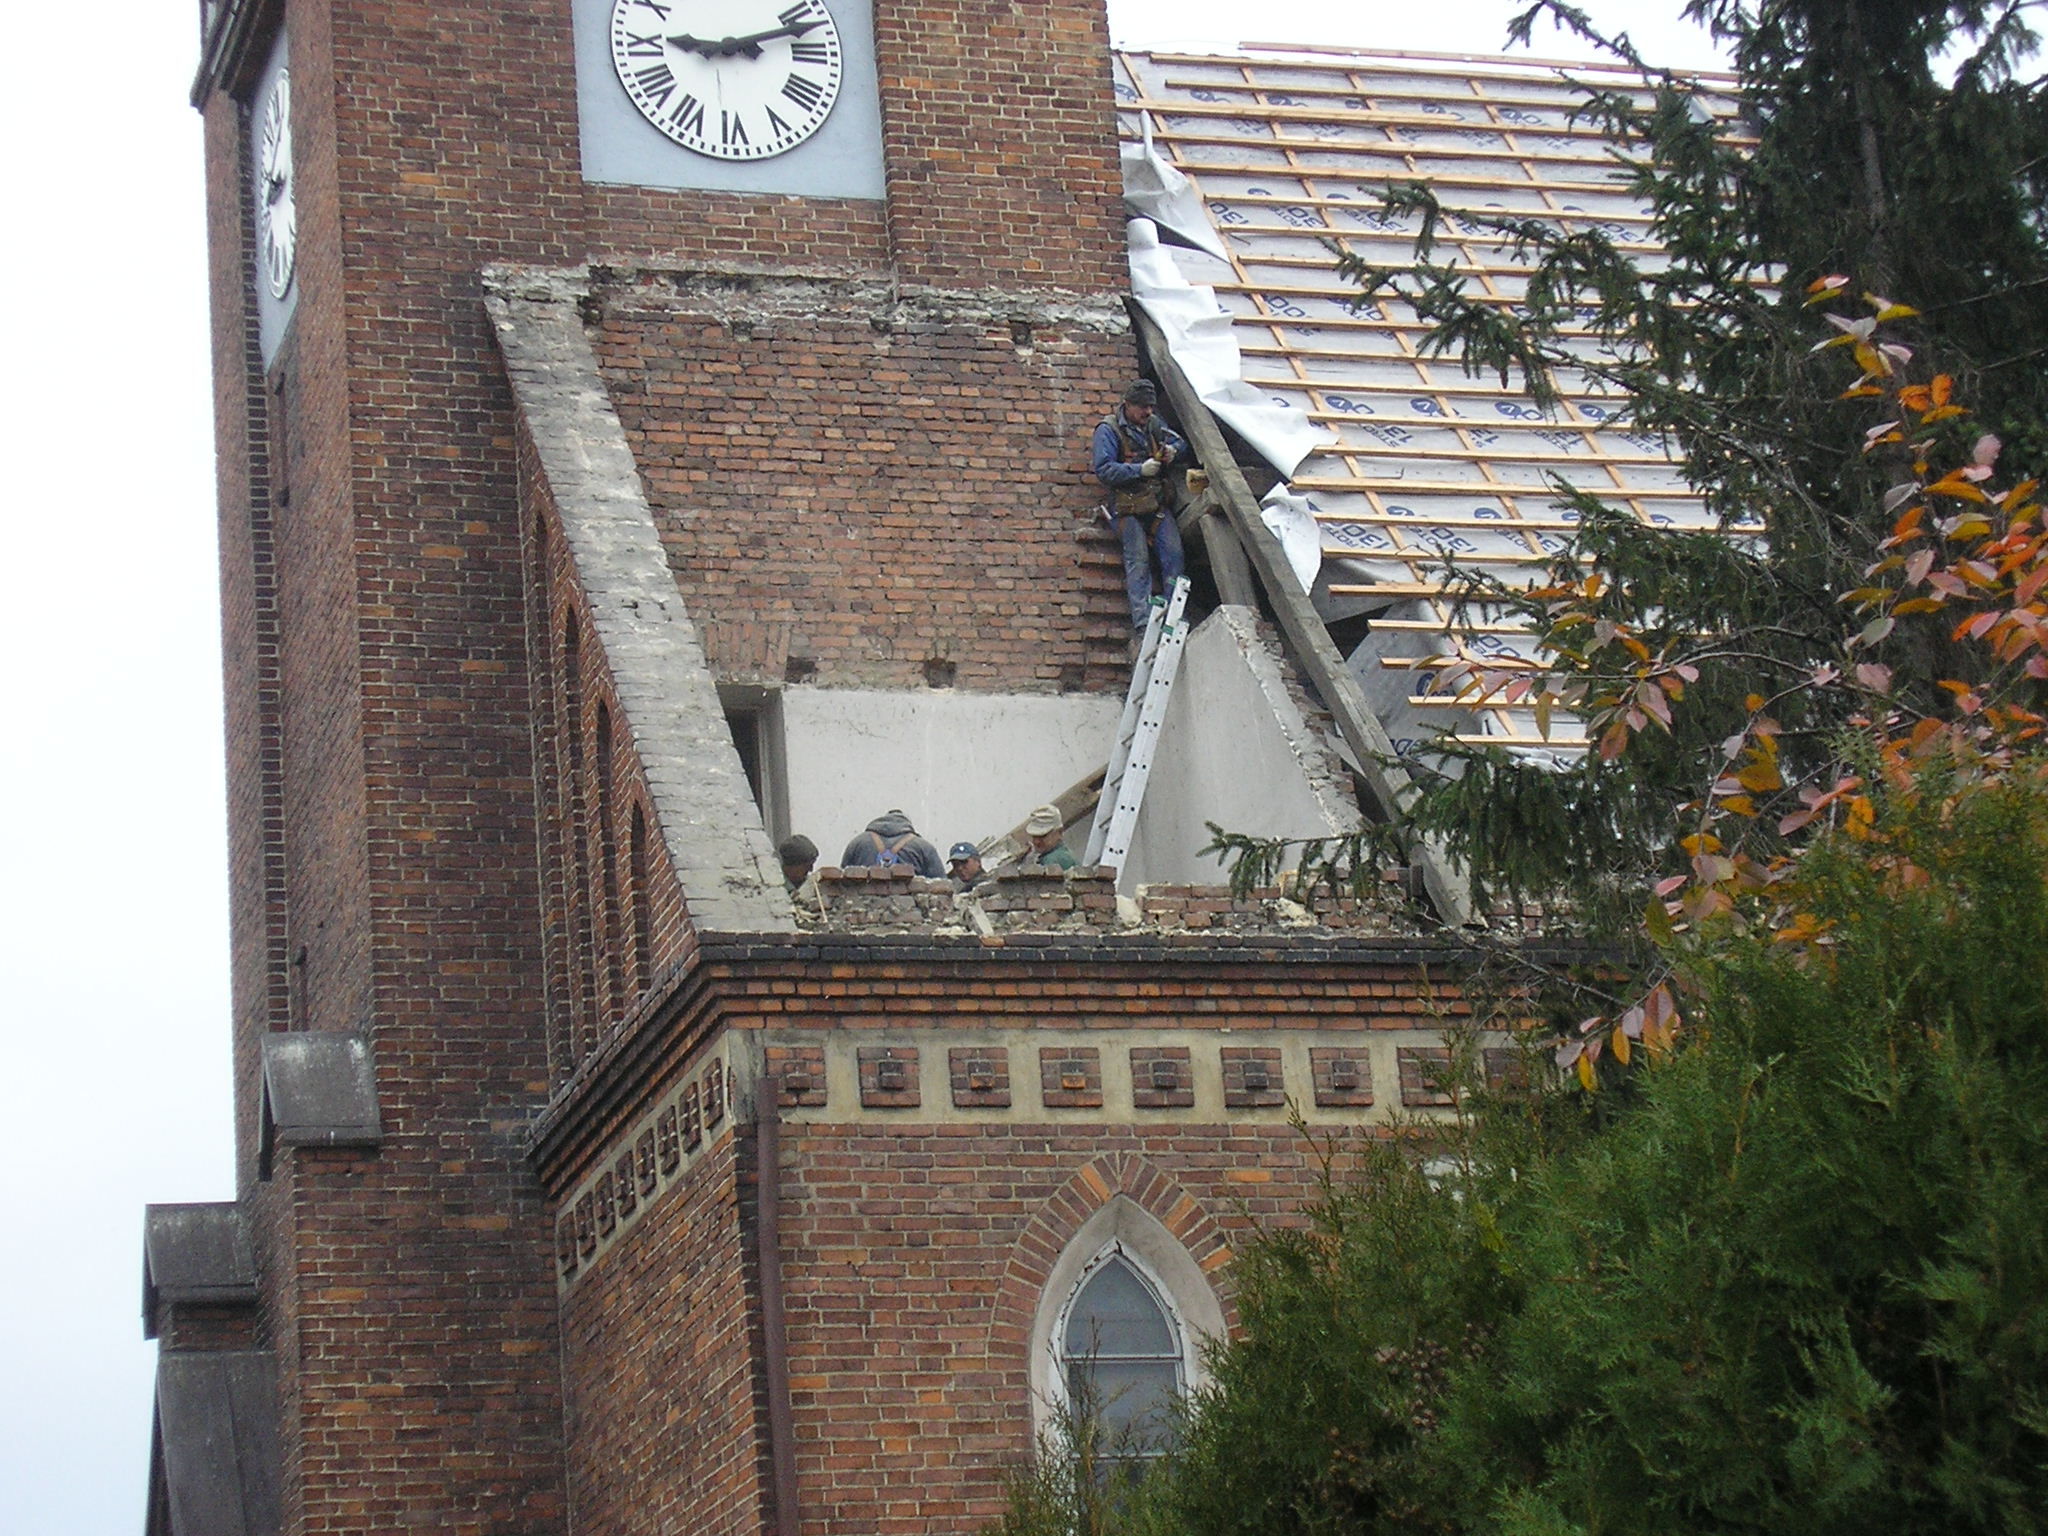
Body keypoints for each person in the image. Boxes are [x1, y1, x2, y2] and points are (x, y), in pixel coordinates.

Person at [1092, 378, 1190, 634]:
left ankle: (1174, 616)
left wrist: (1173, 451)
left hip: (1155, 503)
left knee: (1174, 555)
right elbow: (1104, 470)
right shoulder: (1108, 430)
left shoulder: (1154, 423)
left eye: (1150, 407)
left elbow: (1180, 442)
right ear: (1128, 405)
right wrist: (1139, 470)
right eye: (1142, 407)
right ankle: (1143, 622)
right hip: (1125, 505)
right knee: (1138, 560)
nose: (1148, 412)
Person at [840, 810, 946, 878]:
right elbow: (942, 887)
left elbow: (842, 883)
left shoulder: (857, 843)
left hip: (863, 905)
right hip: (909, 906)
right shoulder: (924, 847)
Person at [1016, 804, 1077, 871]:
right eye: (1034, 836)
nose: (1036, 841)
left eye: (1043, 836)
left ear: (1060, 832)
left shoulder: (1055, 860)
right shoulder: (1057, 855)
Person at [777, 835, 819, 901]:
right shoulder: (775, 887)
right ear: (792, 866)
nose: (811, 870)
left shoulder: (808, 882)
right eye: (806, 866)